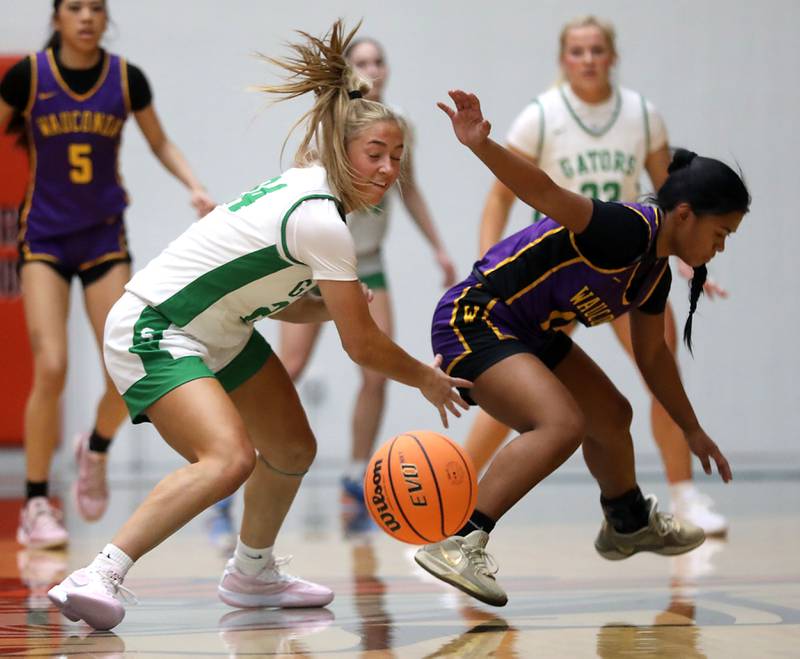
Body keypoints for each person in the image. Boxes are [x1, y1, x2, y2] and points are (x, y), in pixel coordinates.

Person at [46, 20, 469, 631]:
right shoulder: (322, 218)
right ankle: (100, 572)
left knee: (293, 446)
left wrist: (329, 303)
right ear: (342, 152)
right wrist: (426, 380)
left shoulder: (314, 195)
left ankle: (252, 571)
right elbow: (363, 346)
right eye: (375, 154)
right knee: (226, 458)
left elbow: (279, 300)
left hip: (220, 328)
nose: (387, 169)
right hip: (155, 325)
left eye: (396, 158)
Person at [414, 89, 748, 607]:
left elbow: (654, 357)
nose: (720, 247)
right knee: (562, 423)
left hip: (525, 331)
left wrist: (692, 427)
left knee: (612, 415)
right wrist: (481, 146)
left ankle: (628, 522)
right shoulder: (625, 228)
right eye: (721, 232)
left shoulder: (652, 270)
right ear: (684, 215)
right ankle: (459, 541)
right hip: (474, 318)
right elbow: (545, 191)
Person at [464, 15, 729, 537]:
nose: (587, 59)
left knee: (660, 368)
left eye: (597, 50)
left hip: (631, 261)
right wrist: (487, 268)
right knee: (520, 387)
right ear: (563, 59)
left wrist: (689, 259)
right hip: (557, 270)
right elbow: (501, 196)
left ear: (612, 56)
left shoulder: (640, 114)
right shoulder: (541, 116)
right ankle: (460, 489)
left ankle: (682, 497)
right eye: (577, 51)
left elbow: (674, 193)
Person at [0, 0, 214, 549]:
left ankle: (94, 448)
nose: (87, 17)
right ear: (57, 18)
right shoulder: (29, 76)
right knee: (51, 366)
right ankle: (37, 502)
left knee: (125, 366)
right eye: (75, 7)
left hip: (103, 238)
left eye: (96, 7)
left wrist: (192, 184)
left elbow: (159, 140)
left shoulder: (126, 79)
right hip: (44, 239)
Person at [278, 36, 456, 506]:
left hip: (368, 263)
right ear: (347, 72)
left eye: (380, 60)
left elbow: (410, 188)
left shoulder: (399, 125)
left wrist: (438, 247)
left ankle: (357, 479)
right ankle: (242, 455)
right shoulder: (328, 125)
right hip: (317, 265)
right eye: (362, 62)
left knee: (376, 369)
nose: (372, 69)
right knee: (289, 367)